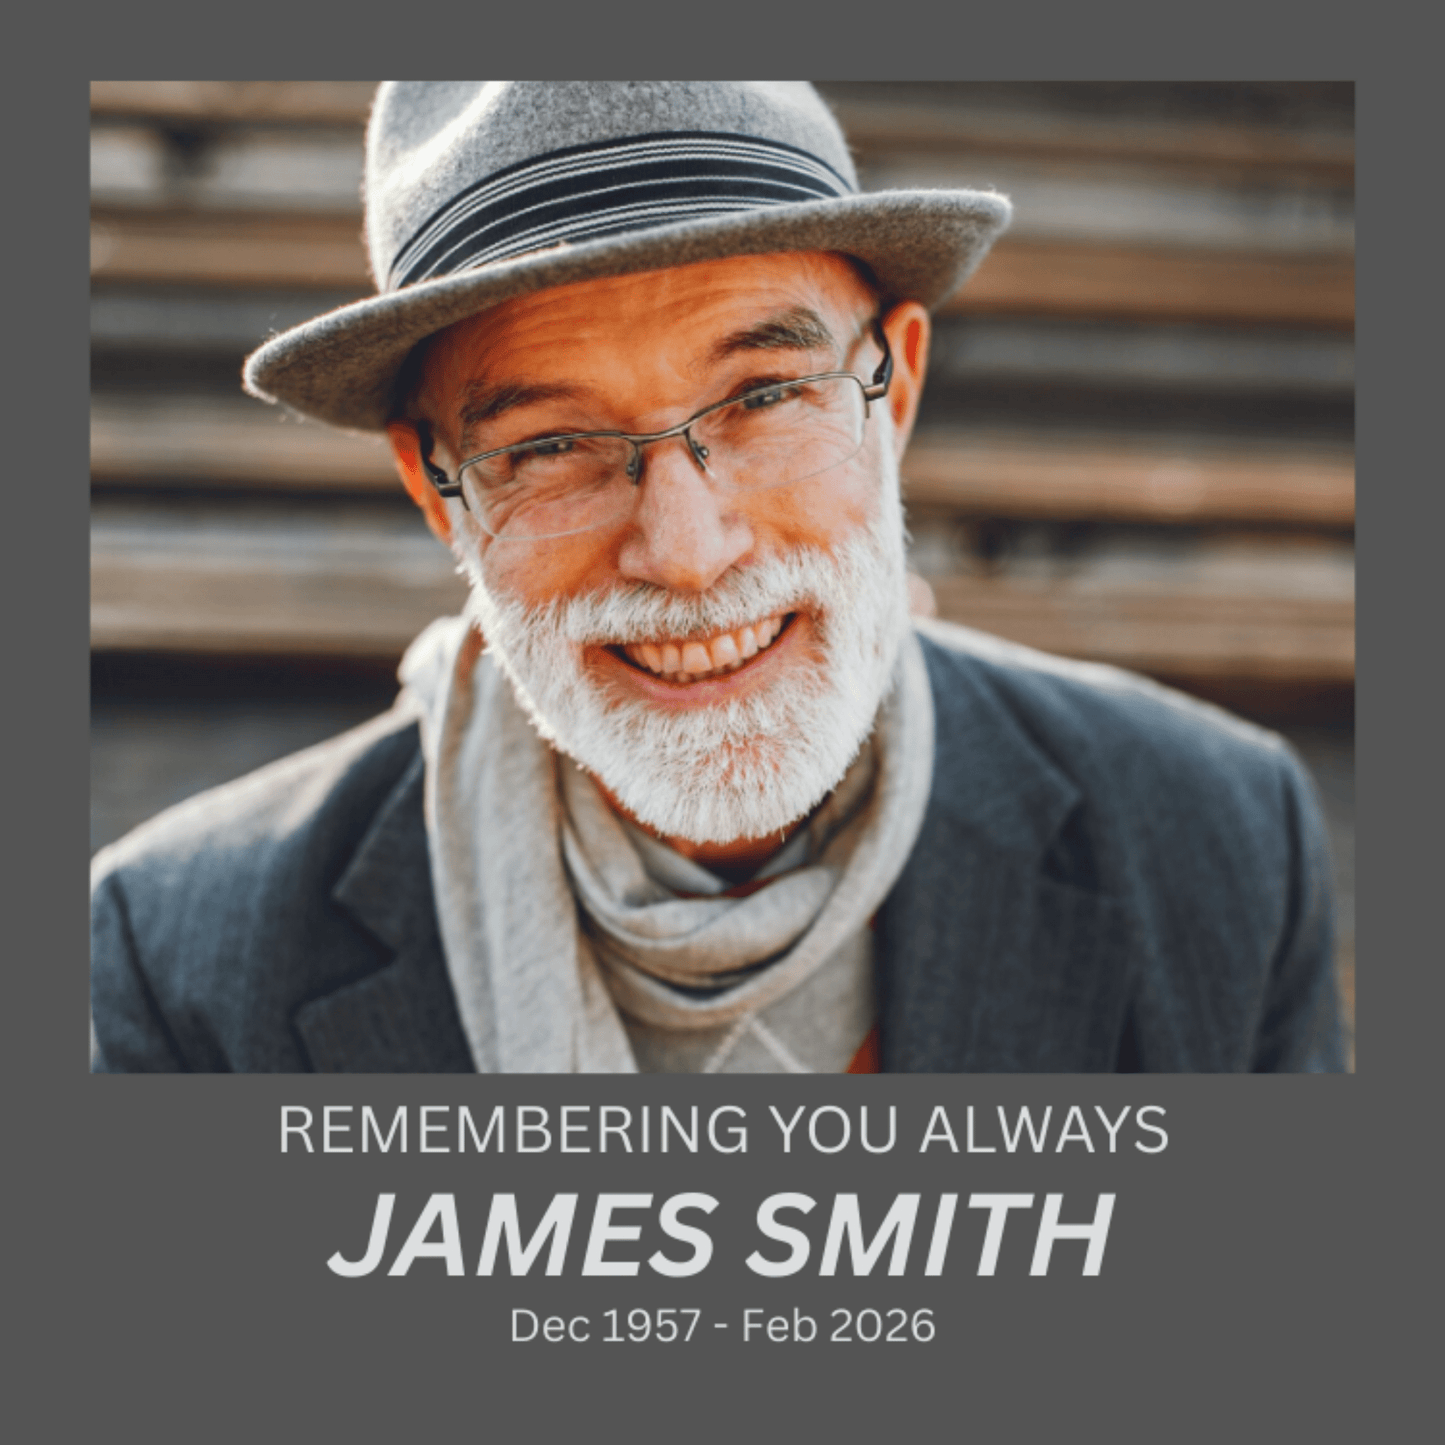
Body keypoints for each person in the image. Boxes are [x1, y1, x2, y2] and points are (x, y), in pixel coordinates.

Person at [90, 82, 1345, 1073]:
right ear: (439, 492)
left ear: (891, 391)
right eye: (550, 445)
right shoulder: (186, 959)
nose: (687, 552)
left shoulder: (1215, 841)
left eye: (760, 397)